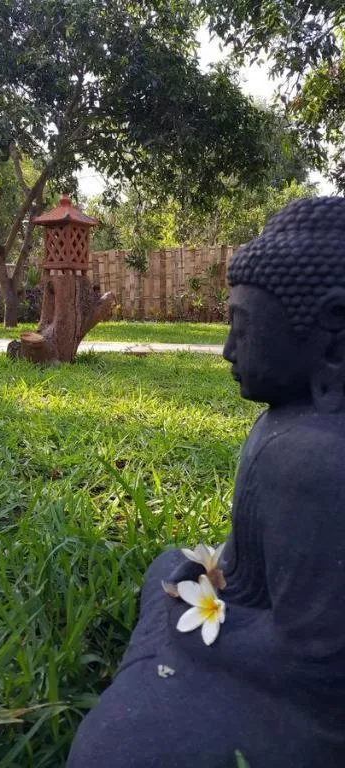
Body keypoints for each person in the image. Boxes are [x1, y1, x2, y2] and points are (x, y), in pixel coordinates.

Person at [67, 197, 345, 767]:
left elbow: (313, 665)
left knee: (114, 750)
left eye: (243, 329)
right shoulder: (283, 427)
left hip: (306, 708)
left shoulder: (317, 463)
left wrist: (184, 620)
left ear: (334, 338)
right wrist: (207, 579)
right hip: (249, 634)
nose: (225, 351)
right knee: (164, 568)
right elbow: (251, 573)